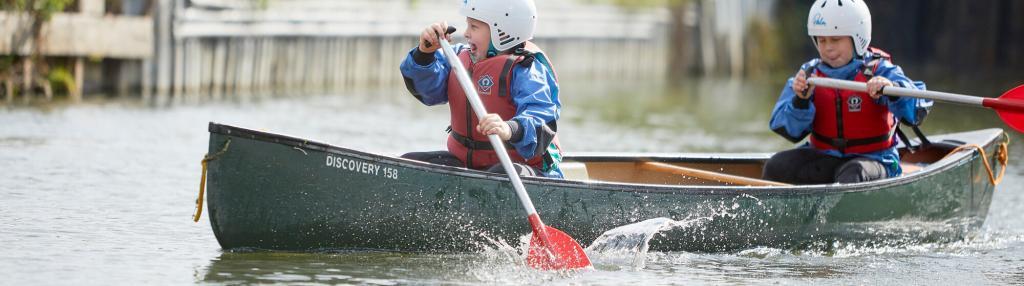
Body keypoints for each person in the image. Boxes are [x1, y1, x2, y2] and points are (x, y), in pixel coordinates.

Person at [763, 0, 932, 184]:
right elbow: (786, 130)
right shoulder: (809, 75)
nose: (828, 48)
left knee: (853, 173)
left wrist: (892, 90)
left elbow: (917, 111)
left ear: (858, 37)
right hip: (825, 157)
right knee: (776, 166)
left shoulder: (881, 71)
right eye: (822, 40)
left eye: (835, 39)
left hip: (875, 160)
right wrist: (801, 100)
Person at [398, 0, 564, 178]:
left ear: (502, 31)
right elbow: (429, 91)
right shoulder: (459, 57)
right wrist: (424, 54)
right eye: (467, 25)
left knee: (500, 175)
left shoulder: (526, 69)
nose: (466, 33)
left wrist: (509, 129)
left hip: (521, 168)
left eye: (474, 27)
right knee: (409, 163)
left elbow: (541, 115)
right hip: (469, 164)